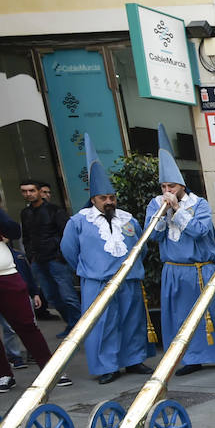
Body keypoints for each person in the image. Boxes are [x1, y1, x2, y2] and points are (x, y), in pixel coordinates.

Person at [148, 124, 215, 376]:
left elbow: (201, 231)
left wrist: (178, 211)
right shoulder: (155, 205)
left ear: (181, 185)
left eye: (172, 186)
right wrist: (164, 214)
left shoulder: (198, 204)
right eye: (163, 187)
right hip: (176, 270)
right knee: (182, 317)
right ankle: (191, 358)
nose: (167, 192)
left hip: (202, 268)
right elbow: (154, 236)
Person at [60, 136, 153, 385]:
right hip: (98, 282)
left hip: (129, 280)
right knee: (102, 326)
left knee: (132, 322)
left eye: (111, 196)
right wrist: (89, 270)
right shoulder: (79, 221)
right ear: (93, 200)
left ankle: (133, 359)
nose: (109, 201)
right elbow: (68, 251)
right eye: (104, 198)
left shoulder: (128, 219)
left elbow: (140, 246)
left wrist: (133, 268)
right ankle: (106, 366)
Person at [0, 191, 66, 392]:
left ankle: (50, 370)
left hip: (6, 274)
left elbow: (14, 232)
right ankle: (3, 375)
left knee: (26, 324)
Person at [18, 177, 77, 335]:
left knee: (68, 295)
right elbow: (27, 237)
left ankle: (79, 327)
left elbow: (67, 234)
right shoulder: (26, 213)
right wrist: (31, 257)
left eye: (31, 190)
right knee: (52, 297)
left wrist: (61, 256)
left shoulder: (55, 210)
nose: (28, 194)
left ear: (39, 192)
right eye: (24, 191)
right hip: (38, 260)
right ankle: (71, 325)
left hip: (56, 259)